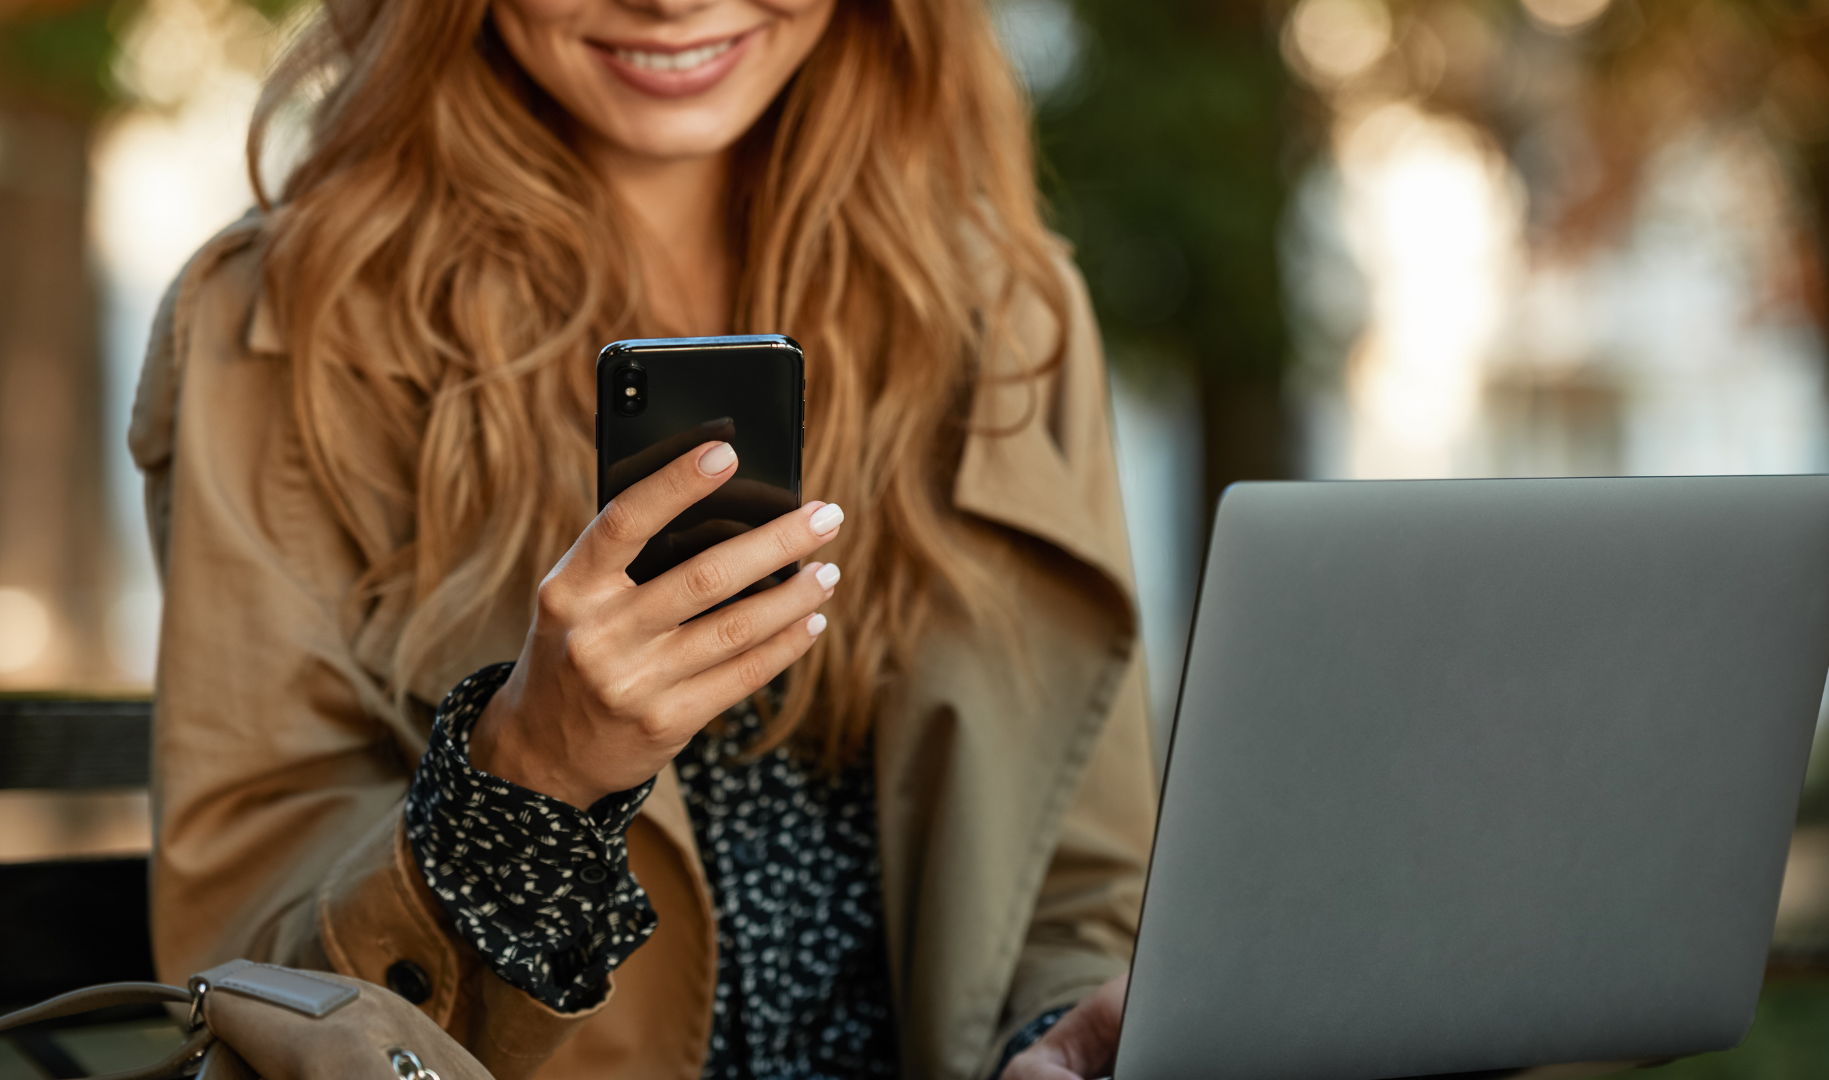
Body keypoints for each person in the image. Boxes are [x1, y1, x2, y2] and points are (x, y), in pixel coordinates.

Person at [129, 0, 1157, 1076]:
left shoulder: (1007, 318)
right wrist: (528, 777)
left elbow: (1076, 888)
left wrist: (1053, 1046)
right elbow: (256, 985)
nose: (672, 2)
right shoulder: (276, 330)